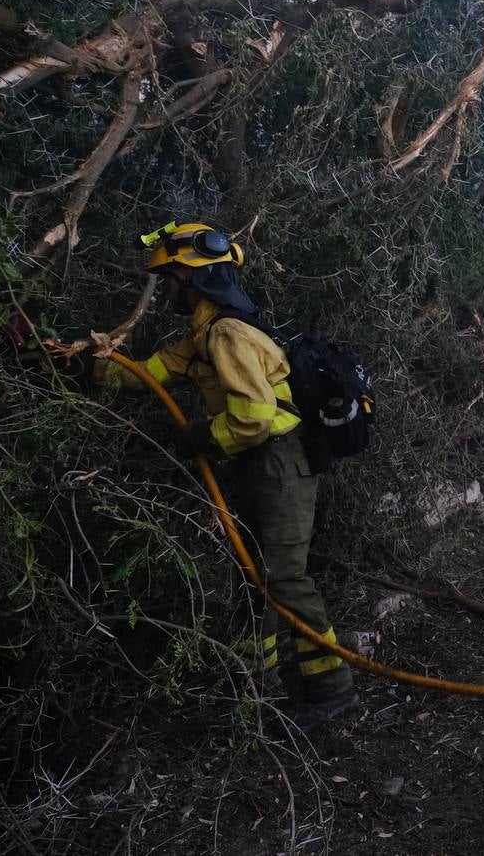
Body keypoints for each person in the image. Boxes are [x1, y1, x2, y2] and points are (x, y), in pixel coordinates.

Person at [100, 222, 358, 730]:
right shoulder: (202, 337)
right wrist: (64, 359)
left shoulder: (228, 334)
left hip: (280, 463)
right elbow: (141, 375)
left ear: (191, 278)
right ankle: (256, 687)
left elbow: (254, 418)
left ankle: (332, 689)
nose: (166, 289)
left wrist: (203, 436)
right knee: (254, 576)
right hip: (259, 463)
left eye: (169, 278)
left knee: (284, 578)